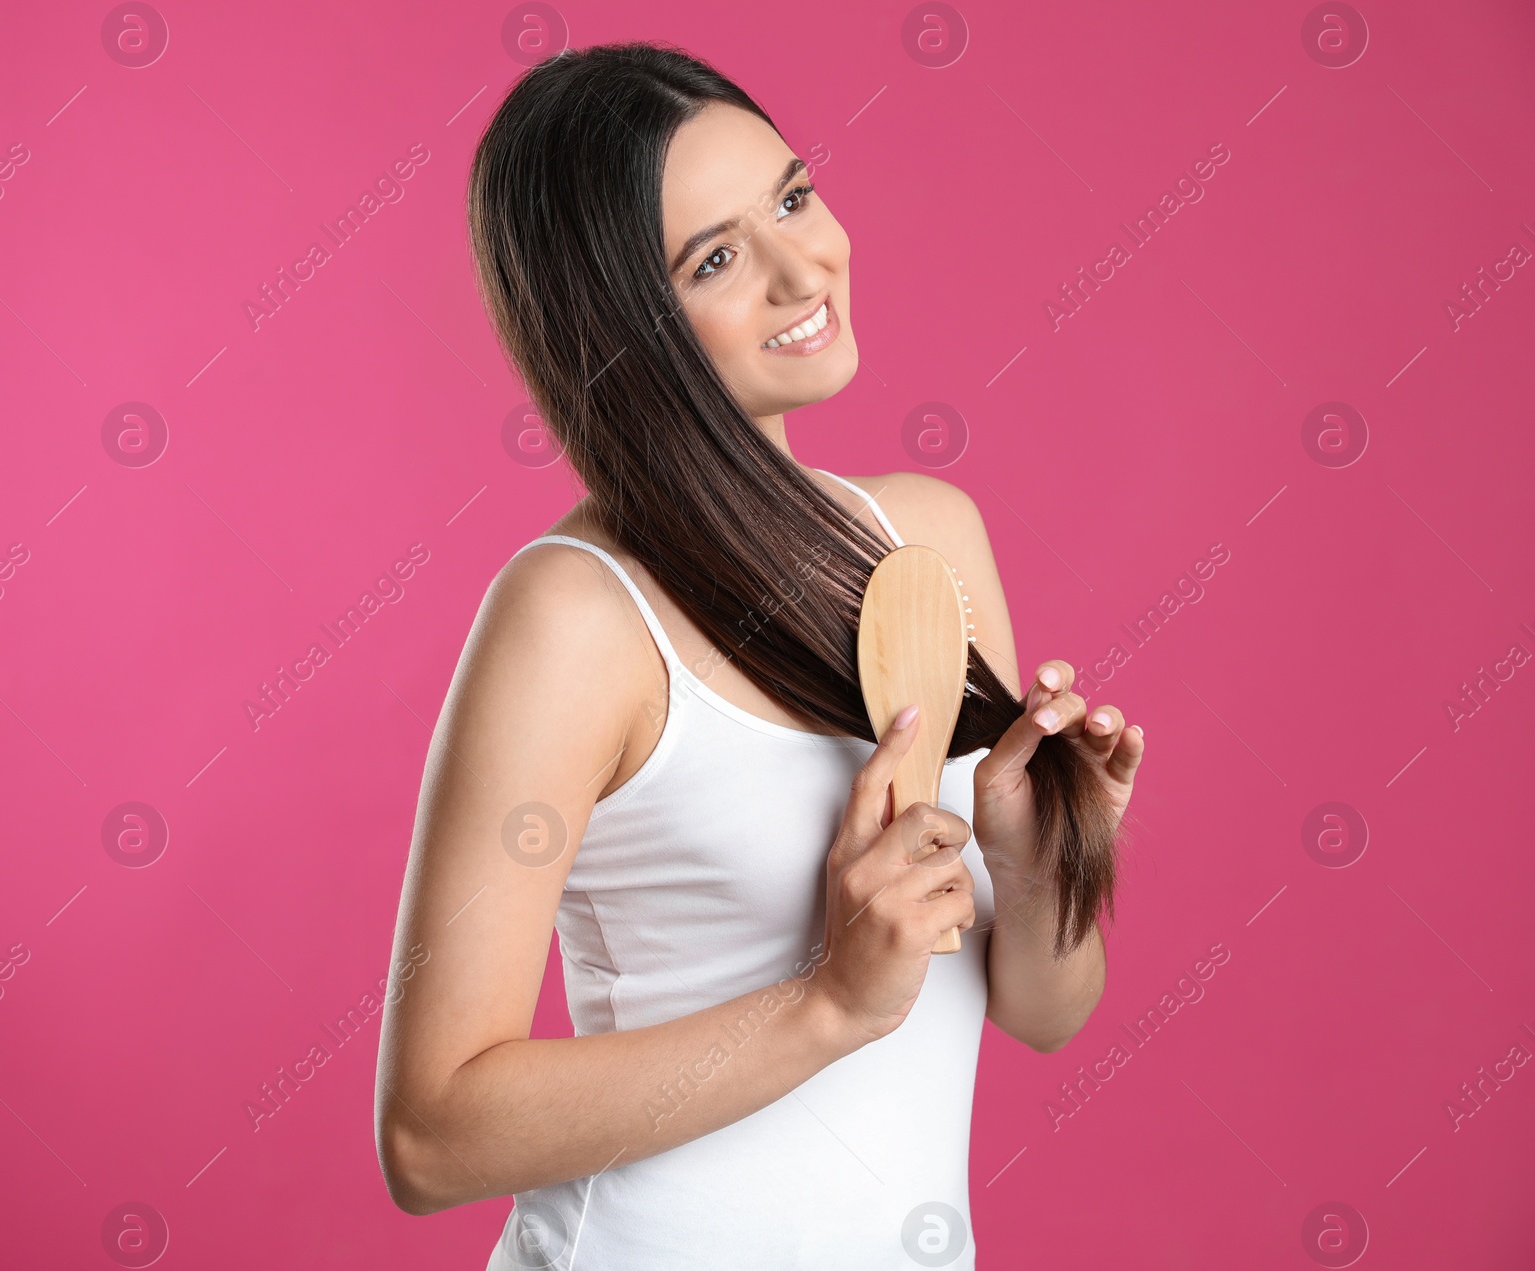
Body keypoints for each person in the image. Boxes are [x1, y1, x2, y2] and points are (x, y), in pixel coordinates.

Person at [374, 41, 1143, 1270]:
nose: (804, 268)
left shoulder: (927, 539)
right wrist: (827, 1002)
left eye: (792, 196)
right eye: (716, 258)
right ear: (623, 325)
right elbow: (429, 1135)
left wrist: (1044, 851)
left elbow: (1041, 1010)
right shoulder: (576, 615)